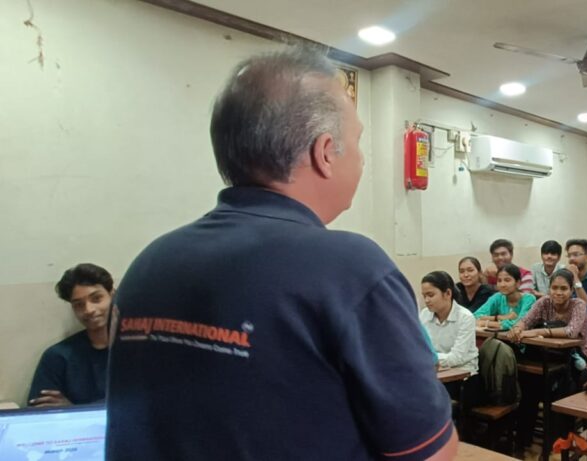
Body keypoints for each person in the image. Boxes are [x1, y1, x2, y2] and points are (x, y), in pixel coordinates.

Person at [106, 50, 457, 460]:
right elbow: (428, 451)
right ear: (325, 152)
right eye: (358, 142)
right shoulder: (351, 269)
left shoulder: (149, 264)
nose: (361, 158)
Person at [507, 269, 587, 453]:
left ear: (571, 290)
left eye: (564, 288)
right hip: (547, 358)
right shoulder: (544, 302)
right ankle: (523, 442)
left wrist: (541, 332)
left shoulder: (579, 305)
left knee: (561, 394)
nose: (558, 292)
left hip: (577, 359)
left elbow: (571, 331)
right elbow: (526, 321)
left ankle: (557, 444)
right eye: (554, 287)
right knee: (528, 389)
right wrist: (517, 328)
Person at [28, 263, 113, 407]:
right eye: (79, 305)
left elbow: (145, 404)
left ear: (113, 295)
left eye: (96, 299)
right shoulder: (58, 357)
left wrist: (72, 410)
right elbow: (40, 414)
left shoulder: (137, 349)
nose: (89, 310)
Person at [419, 271, 480, 405]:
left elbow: (456, 358)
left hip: (464, 377)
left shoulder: (465, 317)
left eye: (430, 295)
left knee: (431, 397)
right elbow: (417, 348)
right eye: (424, 296)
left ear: (447, 293)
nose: (426, 300)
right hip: (435, 372)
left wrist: (429, 358)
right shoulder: (424, 315)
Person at [474, 264, 537, 330]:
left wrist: (485, 323)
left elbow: (519, 324)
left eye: (507, 280)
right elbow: (475, 316)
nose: (502, 285)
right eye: (499, 281)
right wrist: (500, 318)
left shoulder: (529, 299)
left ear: (518, 283)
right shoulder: (498, 297)